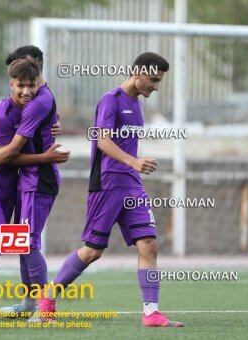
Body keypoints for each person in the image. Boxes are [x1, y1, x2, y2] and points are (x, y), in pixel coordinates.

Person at [37, 52, 184, 327]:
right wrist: (133, 161)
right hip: (107, 184)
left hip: (132, 184)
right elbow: (102, 141)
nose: (156, 86)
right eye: (153, 79)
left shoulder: (137, 104)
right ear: (138, 74)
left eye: (159, 81)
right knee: (93, 250)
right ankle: (48, 296)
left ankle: (151, 312)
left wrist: (133, 166)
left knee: (149, 244)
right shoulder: (110, 100)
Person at [0, 55, 69, 321]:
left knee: (10, 243)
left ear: (38, 80)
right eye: (20, 85)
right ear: (11, 83)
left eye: (31, 85)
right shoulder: (4, 113)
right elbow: (9, 153)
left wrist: (55, 122)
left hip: (18, 183)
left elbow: (43, 113)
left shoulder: (35, 103)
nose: (26, 91)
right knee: (1, 241)